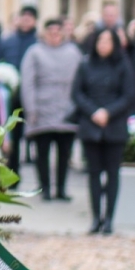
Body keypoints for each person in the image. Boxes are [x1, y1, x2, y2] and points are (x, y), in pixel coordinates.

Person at [70, 27, 135, 234]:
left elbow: (129, 95)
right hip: (91, 126)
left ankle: (109, 219)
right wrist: (94, 112)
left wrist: (108, 112)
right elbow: (77, 93)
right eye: (101, 40)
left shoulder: (123, 65)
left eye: (108, 41)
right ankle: (95, 217)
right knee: (93, 174)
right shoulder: (86, 64)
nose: (104, 44)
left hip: (114, 126)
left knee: (112, 174)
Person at [21, 18, 83, 200]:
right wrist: (31, 108)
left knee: (64, 153)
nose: (55, 35)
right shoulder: (34, 52)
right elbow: (28, 82)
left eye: (58, 31)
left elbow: (81, 80)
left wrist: (78, 108)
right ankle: (44, 188)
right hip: (42, 109)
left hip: (67, 109)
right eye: (51, 32)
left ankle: (62, 188)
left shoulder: (73, 52)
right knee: (42, 153)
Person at [0, 6, 40, 172]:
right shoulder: (8, 41)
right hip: (11, 96)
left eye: (30, 17)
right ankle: (13, 171)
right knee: (11, 135)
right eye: (24, 17)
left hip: (34, 96)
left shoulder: (38, 42)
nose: (26, 21)